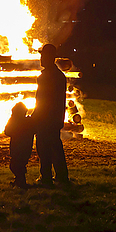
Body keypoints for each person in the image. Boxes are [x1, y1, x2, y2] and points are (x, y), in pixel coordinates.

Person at [32, 43, 69, 187]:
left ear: (50, 57)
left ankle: (46, 177)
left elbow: (42, 100)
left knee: (44, 147)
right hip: (55, 118)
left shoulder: (47, 77)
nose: (41, 58)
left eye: (43, 55)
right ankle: (61, 175)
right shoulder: (59, 75)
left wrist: (35, 117)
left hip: (46, 118)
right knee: (55, 146)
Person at [4, 101, 33, 189]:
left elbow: (7, 131)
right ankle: (20, 180)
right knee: (20, 164)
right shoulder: (28, 121)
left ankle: (21, 182)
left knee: (15, 165)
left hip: (16, 147)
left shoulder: (14, 121)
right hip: (26, 147)